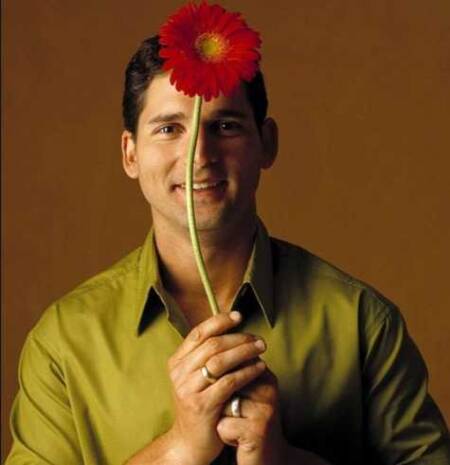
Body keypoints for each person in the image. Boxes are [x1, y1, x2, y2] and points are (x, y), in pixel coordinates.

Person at [5, 35, 450, 465]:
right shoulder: (65, 340)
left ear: (267, 143)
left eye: (225, 126)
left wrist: (284, 461)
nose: (199, 156)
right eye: (169, 129)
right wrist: (176, 451)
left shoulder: (363, 324)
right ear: (130, 153)